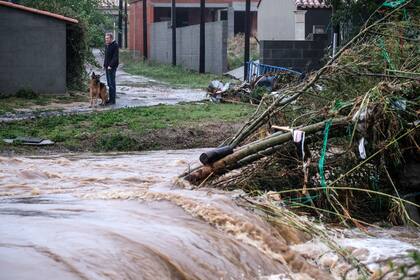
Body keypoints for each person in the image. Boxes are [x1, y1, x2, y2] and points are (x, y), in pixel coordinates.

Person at [104, 33, 119, 105]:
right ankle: (110, 99)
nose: (106, 39)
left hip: (112, 67)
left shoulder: (115, 45)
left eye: (107, 38)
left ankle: (113, 101)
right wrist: (105, 65)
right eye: (105, 38)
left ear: (111, 38)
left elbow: (115, 57)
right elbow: (106, 57)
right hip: (107, 67)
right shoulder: (107, 45)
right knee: (109, 84)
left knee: (112, 84)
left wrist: (110, 65)